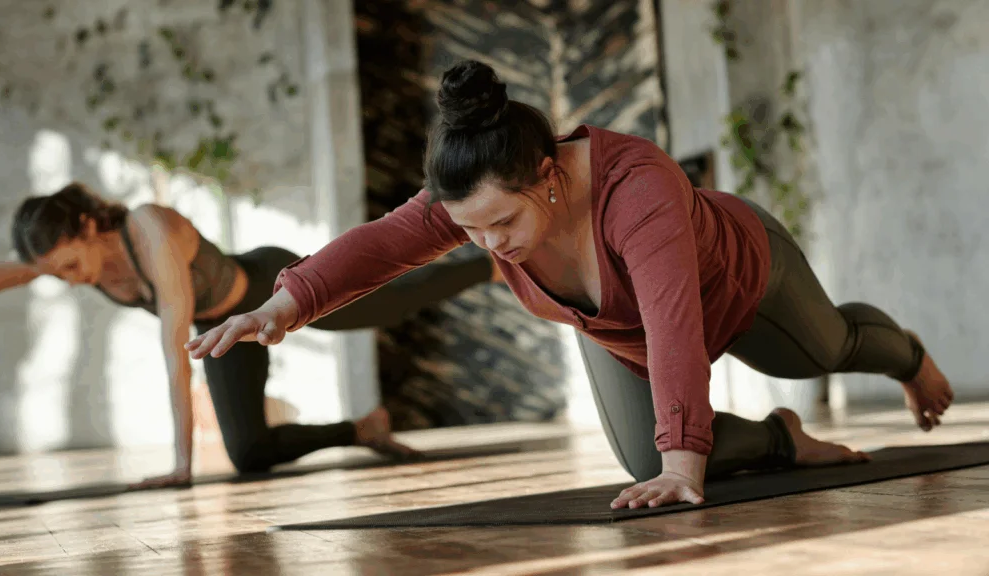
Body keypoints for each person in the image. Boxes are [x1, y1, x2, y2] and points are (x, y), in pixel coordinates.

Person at [188, 59, 956, 509]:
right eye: (470, 229)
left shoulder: (638, 190)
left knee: (824, 349)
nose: (486, 245)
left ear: (549, 177)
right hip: (621, 333)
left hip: (741, 277)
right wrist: (284, 304)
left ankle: (907, 354)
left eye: (500, 225)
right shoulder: (478, 195)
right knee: (646, 466)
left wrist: (687, 458)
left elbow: (672, 321)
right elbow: (382, 245)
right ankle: (785, 440)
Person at [0, 183, 501, 489]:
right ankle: (362, 430)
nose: (67, 278)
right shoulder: (65, 257)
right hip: (224, 329)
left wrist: (182, 465)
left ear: (86, 226)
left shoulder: (148, 230)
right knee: (249, 453)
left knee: (392, 301)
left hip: (265, 287)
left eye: (68, 265)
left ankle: (490, 267)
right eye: (54, 272)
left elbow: (175, 350)